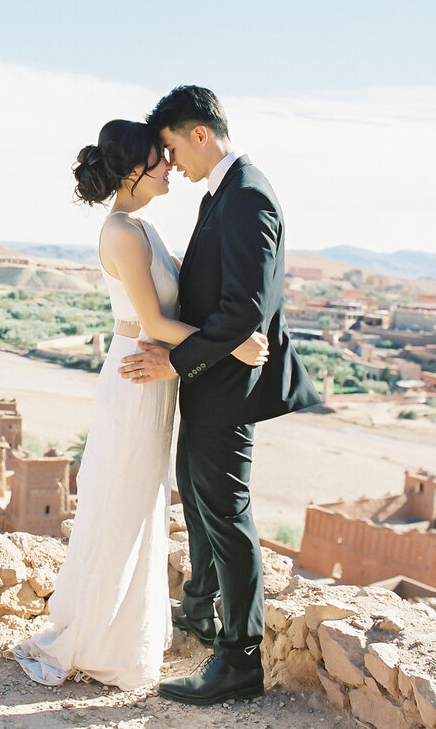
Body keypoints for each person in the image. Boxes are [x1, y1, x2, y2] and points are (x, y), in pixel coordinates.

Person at [5, 119, 269, 691]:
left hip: (152, 377)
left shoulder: (141, 226)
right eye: (160, 157)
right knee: (122, 504)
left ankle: (121, 630)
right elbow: (151, 323)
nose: (171, 164)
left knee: (138, 503)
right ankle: (104, 642)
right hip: (135, 376)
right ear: (133, 171)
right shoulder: (122, 232)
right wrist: (234, 342)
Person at [119, 86, 321, 705]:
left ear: (199, 134)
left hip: (229, 389)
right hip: (213, 382)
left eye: (174, 146)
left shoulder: (247, 196)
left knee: (228, 517)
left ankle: (239, 660)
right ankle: (202, 610)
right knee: (201, 497)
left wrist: (173, 362)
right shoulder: (225, 194)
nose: (172, 161)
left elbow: (244, 311)